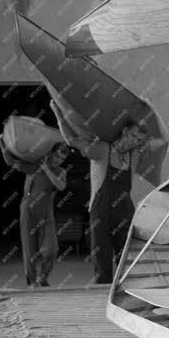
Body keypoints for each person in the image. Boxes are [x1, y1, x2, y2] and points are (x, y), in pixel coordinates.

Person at [50, 102, 149, 284]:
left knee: (127, 256)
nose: (135, 142)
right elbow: (72, 140)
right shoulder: (102, 149)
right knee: (101, 256)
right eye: (133, 136)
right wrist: (58, 112)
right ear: (125, 131)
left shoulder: (134, 154)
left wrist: (144, 107)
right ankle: (102, 293)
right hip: (101, 208)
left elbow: (161, 140)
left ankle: (125, 295)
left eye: (139, 140)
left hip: (125, 209)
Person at [0, 135, 69, 287]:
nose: (58, 160)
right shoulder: (33, 165)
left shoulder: (61, 172)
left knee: (51, 249)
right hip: (28, 209)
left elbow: (61, 186)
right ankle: (31, 281)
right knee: (29, 250)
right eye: (56, 156)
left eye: (61, 159)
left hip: (46, 211)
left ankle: (42, 277)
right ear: (50, 153)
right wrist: (1, 143)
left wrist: (47, 169)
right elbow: (11, 162)